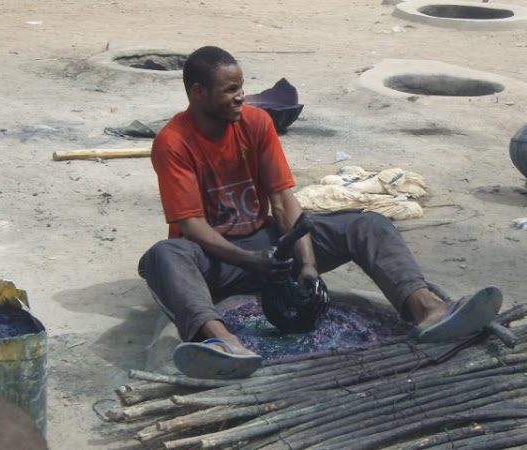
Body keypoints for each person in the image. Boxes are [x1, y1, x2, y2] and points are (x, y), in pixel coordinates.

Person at [138, 46, 502, 379]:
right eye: (230, 90)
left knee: (368, 224)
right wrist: (251, 260)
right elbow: (193, 227)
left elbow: (283, 202)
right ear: (198, 93)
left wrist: (308, 264)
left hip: (270, 250)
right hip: (216, 261)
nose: (241, 97)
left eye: (242, 87)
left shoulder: (256, 123)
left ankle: (428, 310)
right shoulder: (174, 142)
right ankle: (222, 343)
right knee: (164, 256)